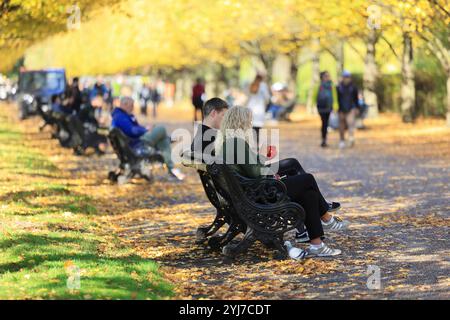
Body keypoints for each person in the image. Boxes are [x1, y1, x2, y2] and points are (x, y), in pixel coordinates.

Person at [191, 98, 343, 243]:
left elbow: (242, 165)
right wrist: (266, 165)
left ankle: (315, 234)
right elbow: (254, 172)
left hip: (242, 190)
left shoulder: (219, 139)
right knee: (307, 179)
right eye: (248, 122)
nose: (250, 125)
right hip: (254, 194)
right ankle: (323, 215)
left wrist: (259, 161)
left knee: (306, 188)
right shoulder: (224, 140)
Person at [111, 96, 185, 180]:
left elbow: (133, 128)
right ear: (124, 104)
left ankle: (171, 167)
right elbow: (132, 130)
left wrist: (144, 129)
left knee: (163, 141)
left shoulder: (121, 115)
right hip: (138, 143)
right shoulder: (120, 117)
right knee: (161, 128)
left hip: (134, 142)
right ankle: (171, 165)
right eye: (131, 106)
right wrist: (145, 129)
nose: (133, 108)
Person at [336, 71, 358, 148]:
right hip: (341, 109)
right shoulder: (339, 87)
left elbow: (356, 99)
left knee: (350, 123)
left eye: (348, 77)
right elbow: (336, 99)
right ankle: (342, 140)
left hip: (350, 108)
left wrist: (356, 108)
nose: (346, 79)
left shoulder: (353, 87)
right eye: (345, 77)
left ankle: (351, 137)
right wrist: (337, 109)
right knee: (341, 125)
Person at [246, 74, 270, 146]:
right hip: (259, 108)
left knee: (250, 126)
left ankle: (250, 143)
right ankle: (257, 144)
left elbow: (248, 96)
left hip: (251, 107)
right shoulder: (263, 85)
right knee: (258, 128)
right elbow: (267, 97)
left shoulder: (252, 84)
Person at [316, 71, 334, 147]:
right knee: (324, 122)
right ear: (322, 77)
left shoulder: (331, 85)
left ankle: (324, 139)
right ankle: (324, 139)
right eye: (326, 76)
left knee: (326, 123)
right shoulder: (318, 86)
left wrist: (335, 106)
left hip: (329, 107)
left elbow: (334, 96)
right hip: (321, 107)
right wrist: (313, 106)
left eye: (328, 76)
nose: (327, 77)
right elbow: (314, 96)